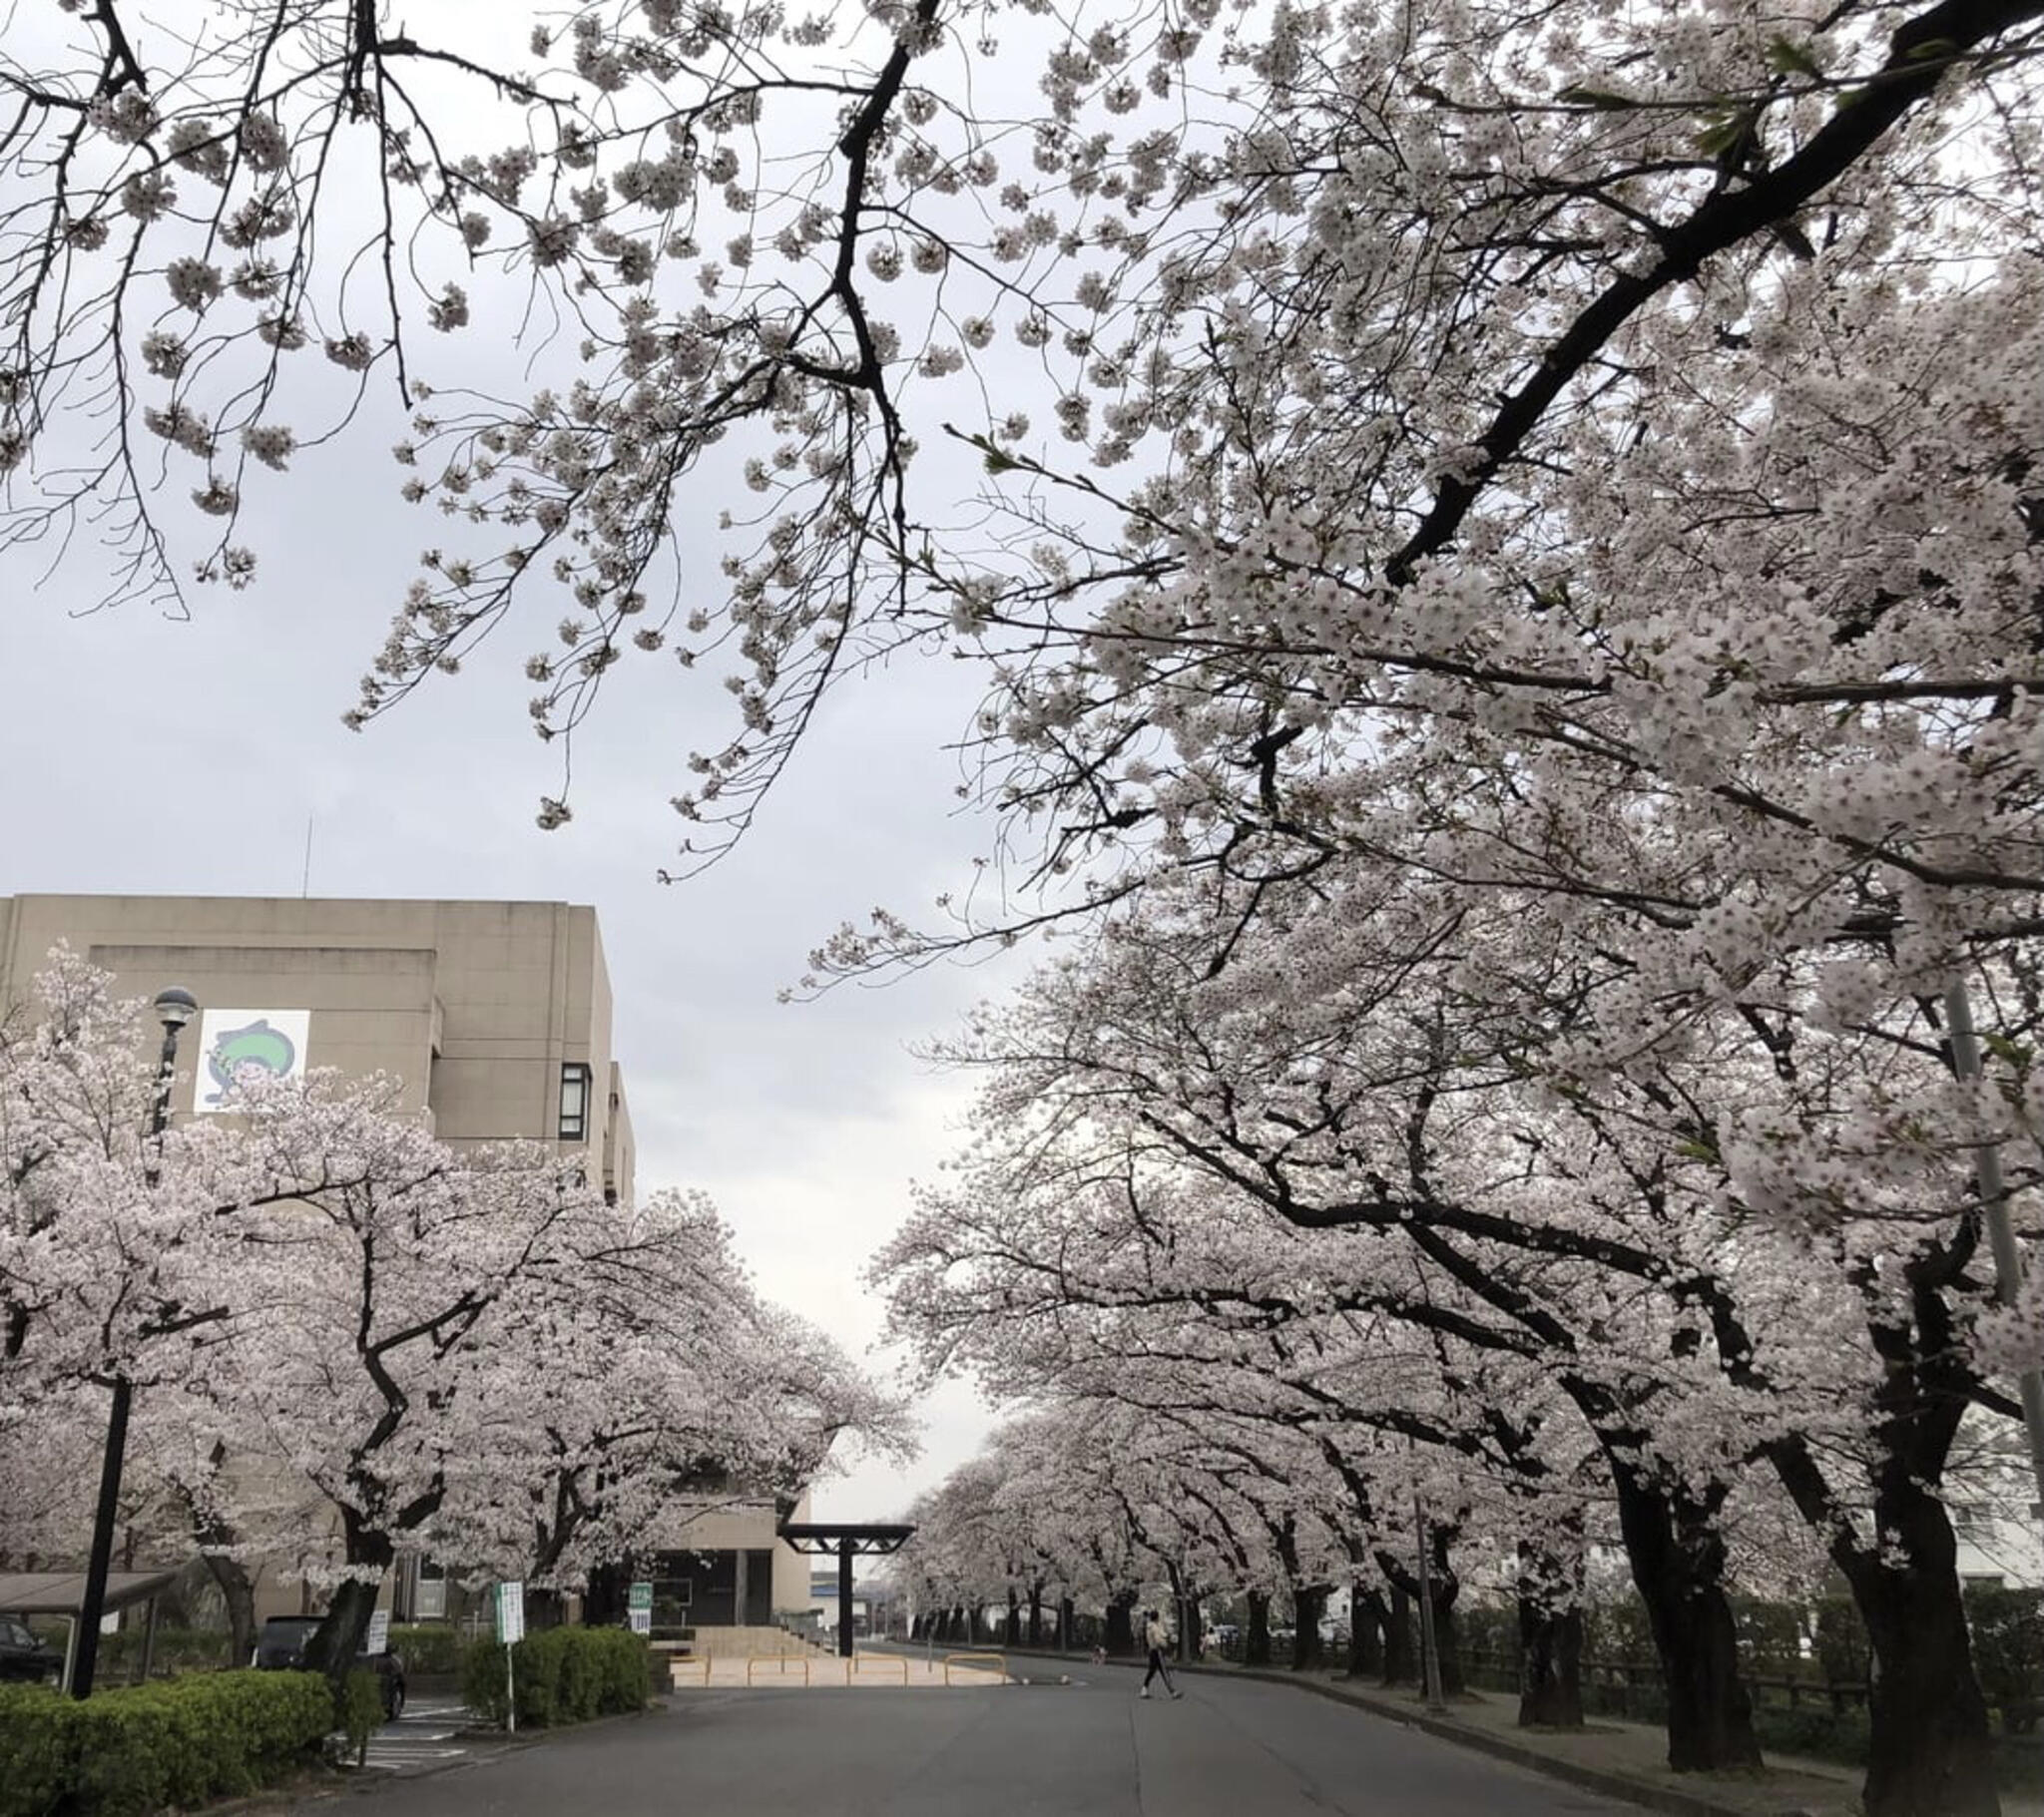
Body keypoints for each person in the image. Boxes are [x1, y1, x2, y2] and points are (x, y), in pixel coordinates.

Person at [1140, 1612, 1182, 1699]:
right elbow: (1158, 1639)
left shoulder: (1149, 1627)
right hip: (1157, 1651)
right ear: (1157, 1618)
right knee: (1164, 1671)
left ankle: (1144, 1690)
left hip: (1152, 1650)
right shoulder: (1155, 1627)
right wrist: (1165, 1644)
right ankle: (1173, 1692)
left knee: (1151, 1671)